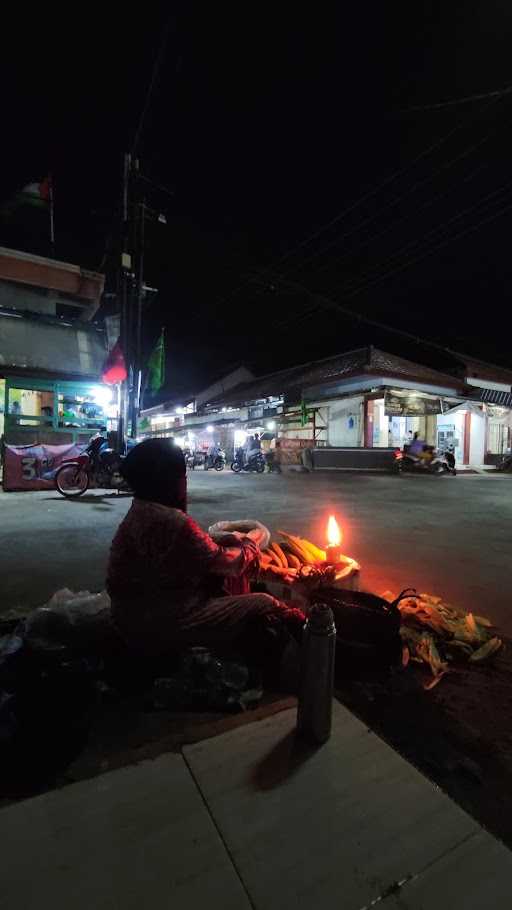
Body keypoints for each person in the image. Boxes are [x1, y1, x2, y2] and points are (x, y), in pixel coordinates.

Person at [106, 439, 303, 677]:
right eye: (182, 475)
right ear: (169, 479)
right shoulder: (172, 521)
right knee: (264, 601)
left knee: (225, 569)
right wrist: (254, 540)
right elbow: (229, 563)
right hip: (158, 623)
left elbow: (196, 555)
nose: (185, 482)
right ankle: (307, 648)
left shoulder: (141, 509)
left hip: (129, 615)